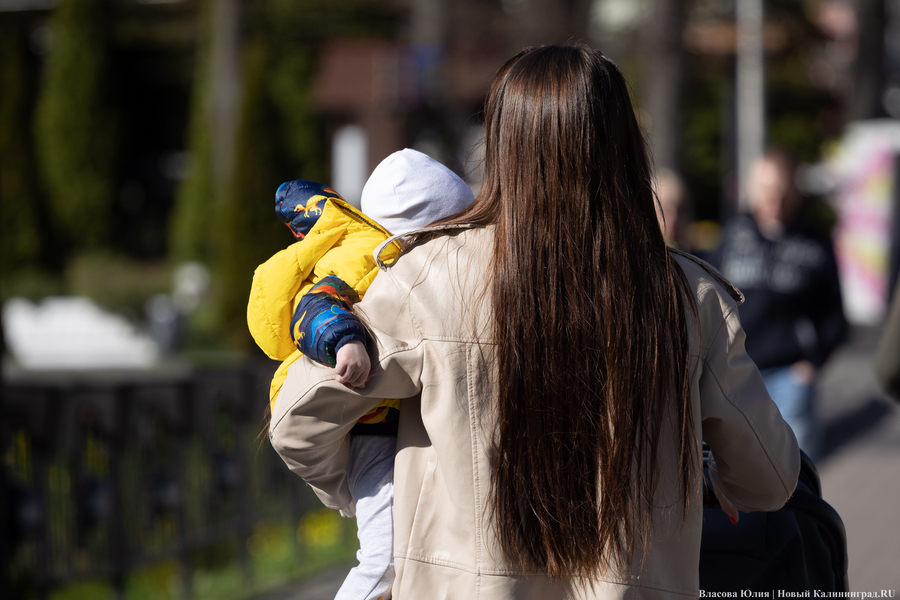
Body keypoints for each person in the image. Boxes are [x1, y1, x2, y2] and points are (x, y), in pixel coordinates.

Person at [269, 45, 799, 599]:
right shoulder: (690, 297)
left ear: (500, 145)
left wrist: (371, 492)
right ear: (624, 147)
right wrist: (716, 475)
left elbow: (296, 423)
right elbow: (771, 477)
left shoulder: (425, 278)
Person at [248, 148, 475, 600]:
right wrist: (344, 339)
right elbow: (316, 304)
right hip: (372, 424)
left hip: (383, 418)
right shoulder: (365, 254)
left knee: (402, 551)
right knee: (384, 558)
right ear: (425, 229)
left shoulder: (380, 250)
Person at [712, 149, 848, 461]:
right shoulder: (732, 236)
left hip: (790, 375)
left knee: (795, 471)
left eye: (782, 193)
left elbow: (835, 315)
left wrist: (814, 362)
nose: (774, 202)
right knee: (739, 470)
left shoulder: (814, 243)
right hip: (736, 373)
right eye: (767, 192)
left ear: (796, 193)